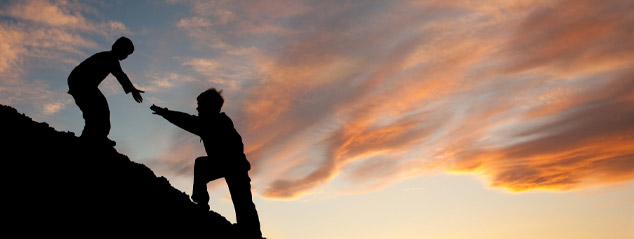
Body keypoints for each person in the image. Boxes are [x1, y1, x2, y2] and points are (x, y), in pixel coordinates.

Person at [150, 88, 262, 238]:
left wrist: (165, 113)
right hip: (233, 165)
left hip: (234, 166)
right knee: (243, 201)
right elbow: (188, 120)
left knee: (242, 201)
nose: (197, 108)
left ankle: (248, 230)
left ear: (209, 106)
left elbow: (187, 121)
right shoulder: (218, 121)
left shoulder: (213, 123)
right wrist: (165, 112)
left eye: (199, 105)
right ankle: (248, 229)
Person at [68, 36, 144, 146]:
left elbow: (121, 75)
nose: (126, 57)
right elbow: (120, 75)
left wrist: (132, 89)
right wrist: (132, 89)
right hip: (81, 83)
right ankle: (96, 138)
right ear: (120, 48)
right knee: (99, 108)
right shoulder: (110, 58)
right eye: (126, 53)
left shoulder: (109, 57)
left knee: (95, 110)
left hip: (81, 83)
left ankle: (94, 137)